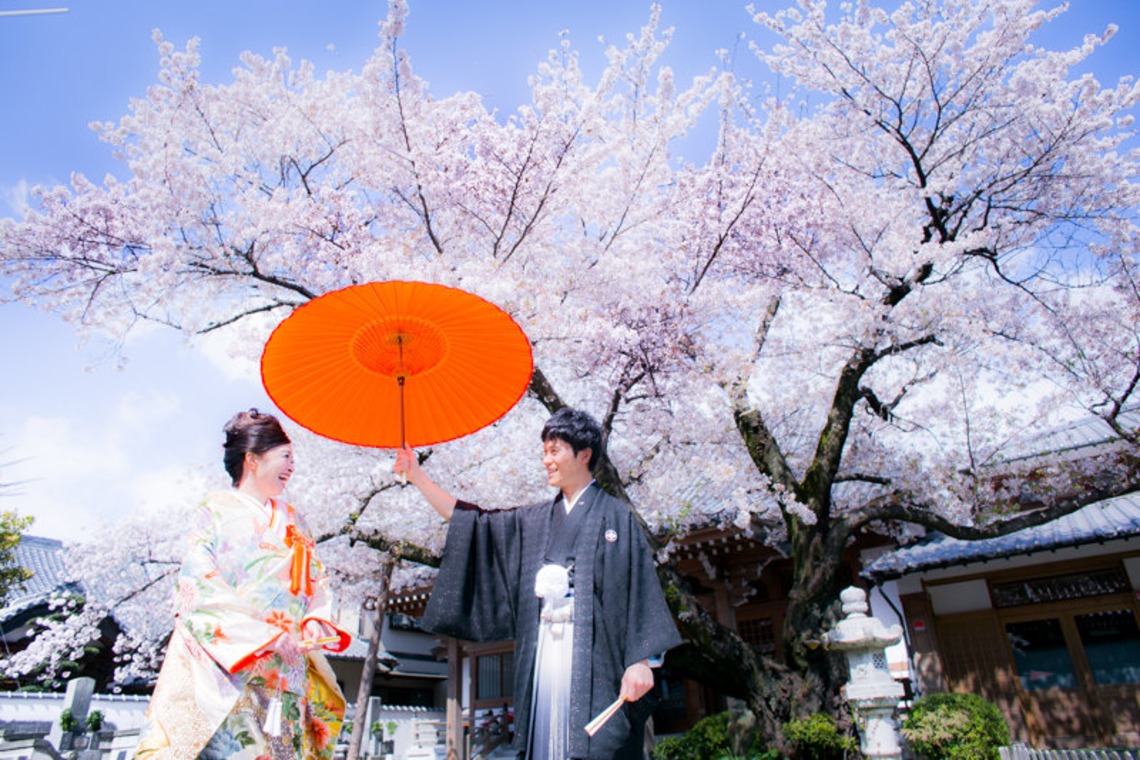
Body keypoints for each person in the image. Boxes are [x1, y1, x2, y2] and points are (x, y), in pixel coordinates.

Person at [394, 407, 682, 759]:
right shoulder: (534, 521)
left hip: (596, 661)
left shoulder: (615, 516)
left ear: (584, 454)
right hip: (544, 652)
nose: (546, 460)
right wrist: (418, 474)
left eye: (555, 450)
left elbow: (639, 591)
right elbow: (473, 523)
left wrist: (641, 661)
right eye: (544, 451)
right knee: (543, 741)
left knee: (601, 745)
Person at [135, 409, 351, 760]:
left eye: (293, 458)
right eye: (285, 457)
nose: (292, 467)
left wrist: (314, 619)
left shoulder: (295, 520)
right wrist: (262, 635)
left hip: (288, 669)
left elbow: (317, 581)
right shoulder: (215, 511)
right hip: (232, 667)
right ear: (252, 459)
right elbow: (198, 584)